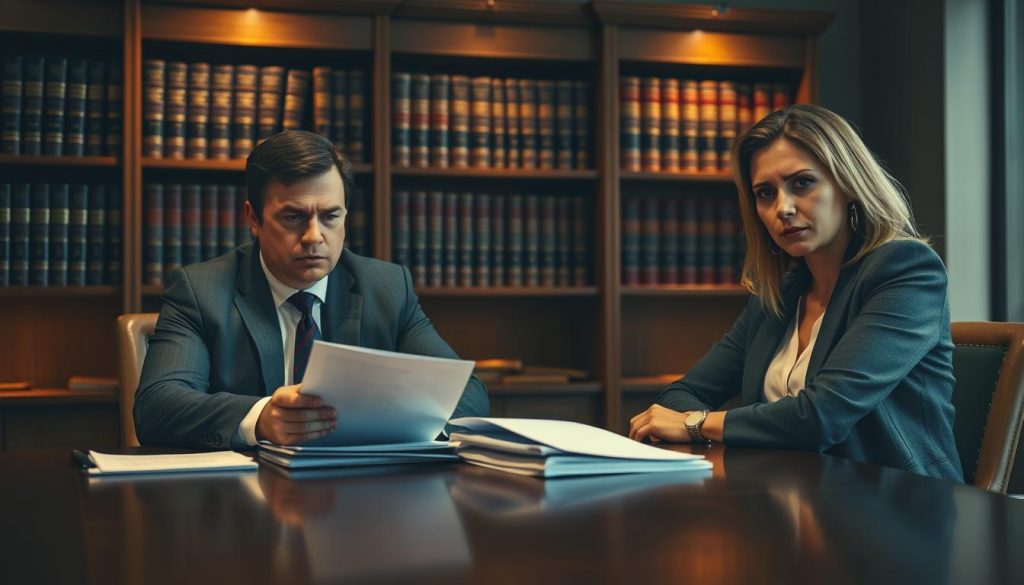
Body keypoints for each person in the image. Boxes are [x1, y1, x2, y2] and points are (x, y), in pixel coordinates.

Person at [628, 104, 962, 481]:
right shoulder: (780, 295)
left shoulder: (906, 270)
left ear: (848, 184)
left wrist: (694, 424)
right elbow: (682, 394)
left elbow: (822, 416)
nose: (782, 208)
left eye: (802, 183)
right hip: (789, 498)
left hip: (901, 508)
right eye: (765, 193)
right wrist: (694, 418)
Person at [135, 130, 489, 449]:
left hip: (363, 499)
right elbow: (158, 406)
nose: (314, 237)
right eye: (293, 217)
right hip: (243, 502)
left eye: (330, 217)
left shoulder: (387, 287)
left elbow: (467, 391)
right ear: (254, 219)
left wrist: (401, 428)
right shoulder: (201, 290)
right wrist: (261, 418)